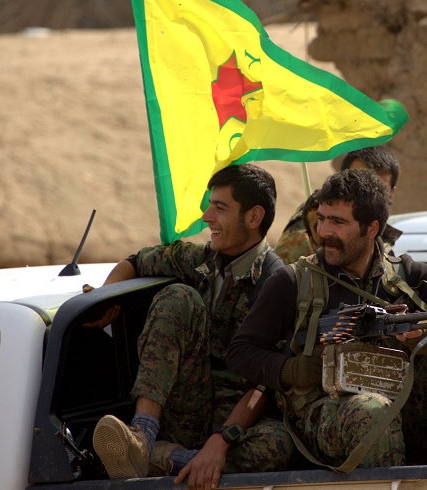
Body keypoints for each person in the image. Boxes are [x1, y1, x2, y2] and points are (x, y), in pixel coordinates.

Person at [227, 168, 427, 468]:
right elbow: (241, 353)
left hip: (399, 401)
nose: (324, 231)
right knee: (372, 409)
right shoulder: (292, 282)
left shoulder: (404, 274)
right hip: (325, 412)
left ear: (372, 228)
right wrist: (296, 369)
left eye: (338, 222)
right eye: (322, 219)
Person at [88, 164, 294, 490]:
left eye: (220, 208)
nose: (207, 217)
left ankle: (164, 458)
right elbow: (136, 262)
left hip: (237, 418)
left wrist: (221, 441)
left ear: (254, 217)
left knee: (277, 445)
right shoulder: (198, 259)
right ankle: (143, 436)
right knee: (178, 296)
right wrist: (105, 297)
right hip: (185, 407)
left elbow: (264, 385)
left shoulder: (277, 283)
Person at [273, 145, 402, 263]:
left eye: (378, 189)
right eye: (356, 184)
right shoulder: (311, 227)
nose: (365, 195)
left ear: (391, 192)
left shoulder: (385, 241)